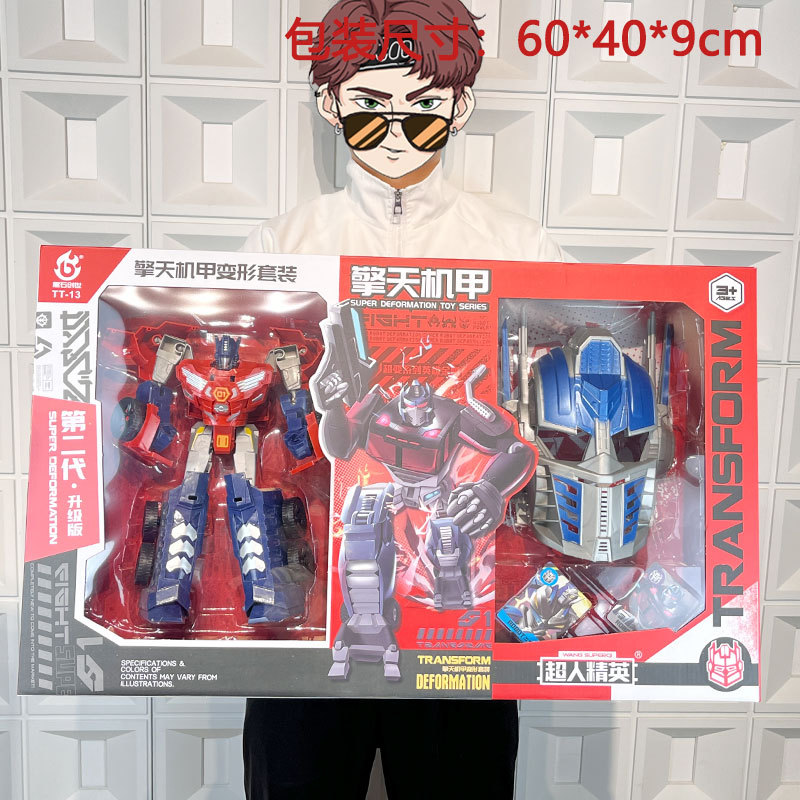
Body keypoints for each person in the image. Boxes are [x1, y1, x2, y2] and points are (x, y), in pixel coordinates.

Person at [243, 2, 563, 797]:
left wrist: (494, 491)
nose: (395, 130)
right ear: (332, 104)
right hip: (315, 596)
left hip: (463, 624)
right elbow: (276, 423)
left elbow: (543, 427)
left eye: (421, 105)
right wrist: (317, 402)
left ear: (459, 104)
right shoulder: (283, 244)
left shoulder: (519, 246)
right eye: (370, 103)